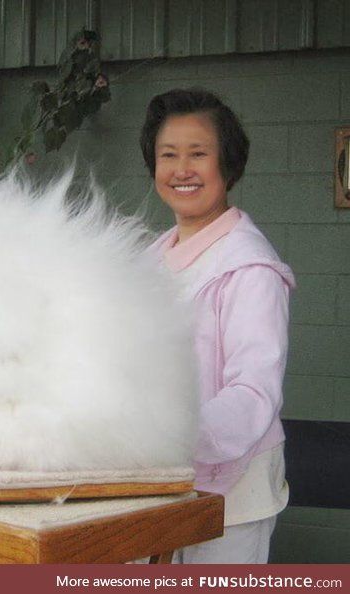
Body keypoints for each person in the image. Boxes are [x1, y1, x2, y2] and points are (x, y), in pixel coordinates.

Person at [140, 88, 295, 564]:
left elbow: (254, 391)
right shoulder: (146, 261)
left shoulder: (250, 268)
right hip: (156, 486)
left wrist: (166, 434)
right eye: (168, 155)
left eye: (198, 154)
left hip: (232, 498)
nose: (181, 170)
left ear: (227, 164)